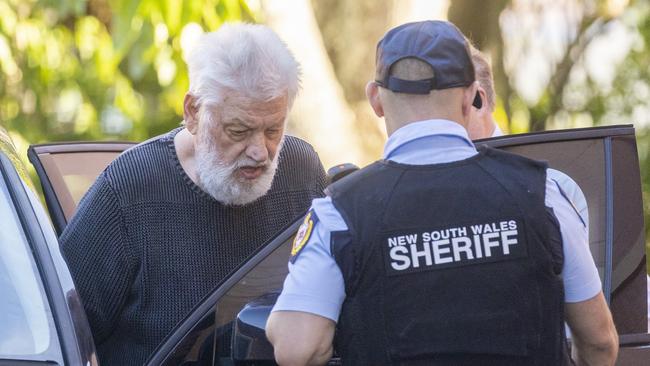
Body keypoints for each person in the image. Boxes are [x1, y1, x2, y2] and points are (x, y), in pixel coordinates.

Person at [266, 20, 618, 366]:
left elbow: (298, 349)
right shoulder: (543, 193)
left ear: (376, 99)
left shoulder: (339, 212)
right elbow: (600, 342)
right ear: (471, 98)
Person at [60, 23, 326, 366]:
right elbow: (66, 331)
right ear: (193, 112)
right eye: (239, 130)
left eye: (273, 129)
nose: (261, 151)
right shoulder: (129, 191)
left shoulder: (302, 172)